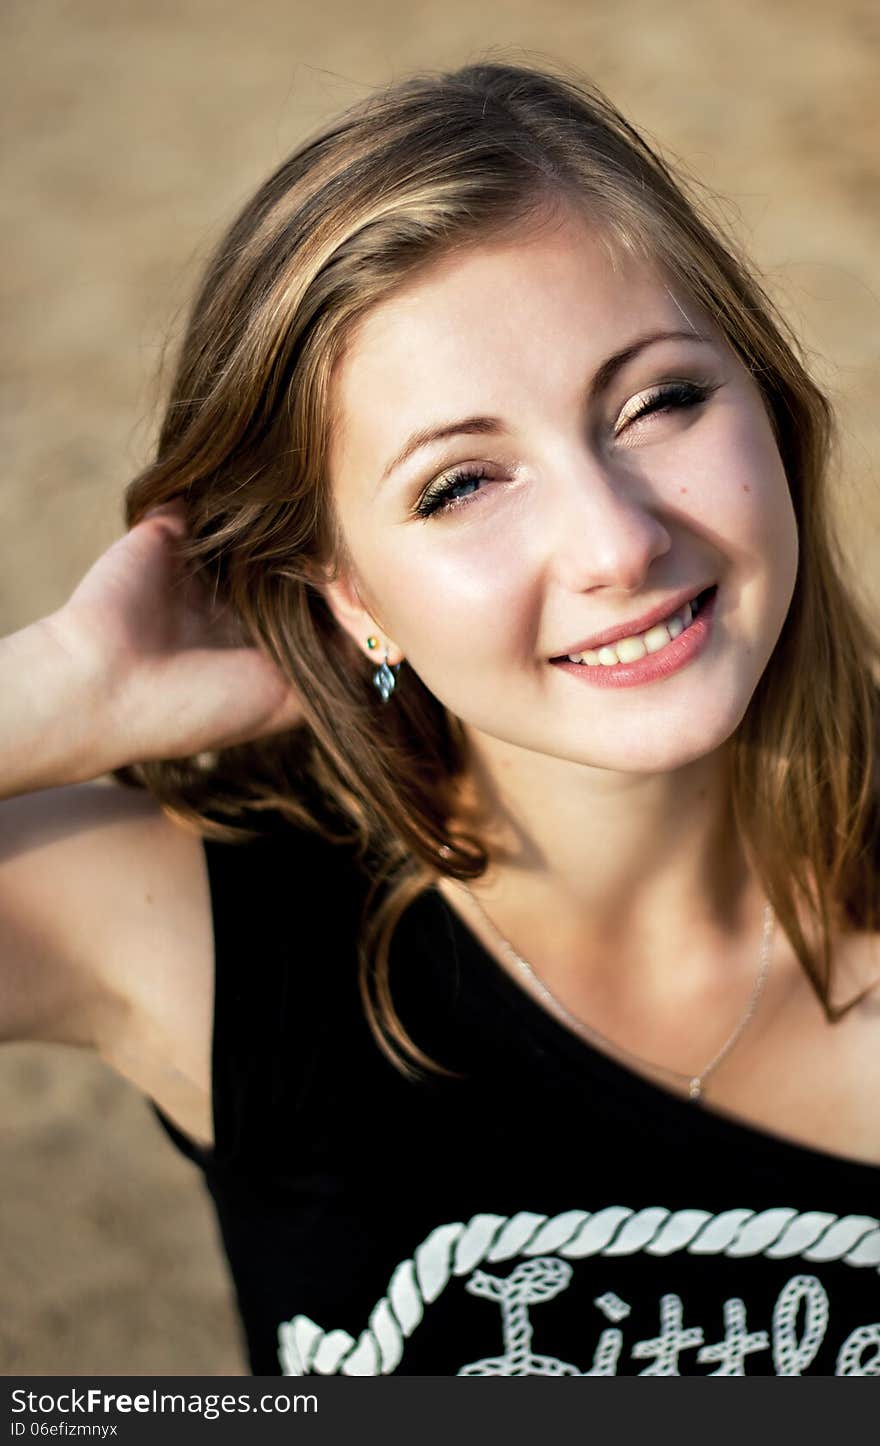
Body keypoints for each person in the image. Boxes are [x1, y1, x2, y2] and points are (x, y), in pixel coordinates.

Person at [1, 58, 879, 1380]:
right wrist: (57, 693)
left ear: (768, 406)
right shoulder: (219, 938)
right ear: (348, 587)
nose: (615, 542)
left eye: (659, 401)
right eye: (461, 484)